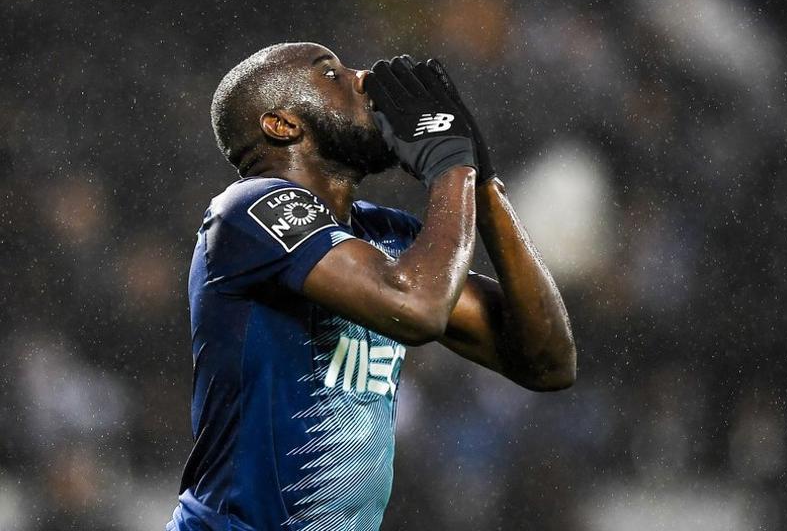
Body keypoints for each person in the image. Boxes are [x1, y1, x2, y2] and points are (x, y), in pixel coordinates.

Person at [167, 42, 576, 531]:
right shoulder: (248, 211)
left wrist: (480, 179)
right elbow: (416, 307)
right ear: (282, 124)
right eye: (332, 74)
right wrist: (449, 165)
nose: (362, 77)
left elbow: (548, 361)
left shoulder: (385, 235)